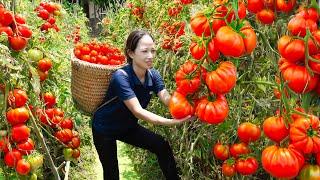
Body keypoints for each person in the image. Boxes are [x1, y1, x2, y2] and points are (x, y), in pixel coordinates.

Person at [92, 30, 194, 180]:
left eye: (153, 50)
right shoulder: (121, 77)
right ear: (131, 53)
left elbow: (167, 99)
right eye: (145, 51)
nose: (150, 56)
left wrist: (190, 103)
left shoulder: (153, 75)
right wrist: (171, 122)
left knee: (161, 145)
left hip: (127, 127)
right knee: (112, 173)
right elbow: (138, 111)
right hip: (104, 128)